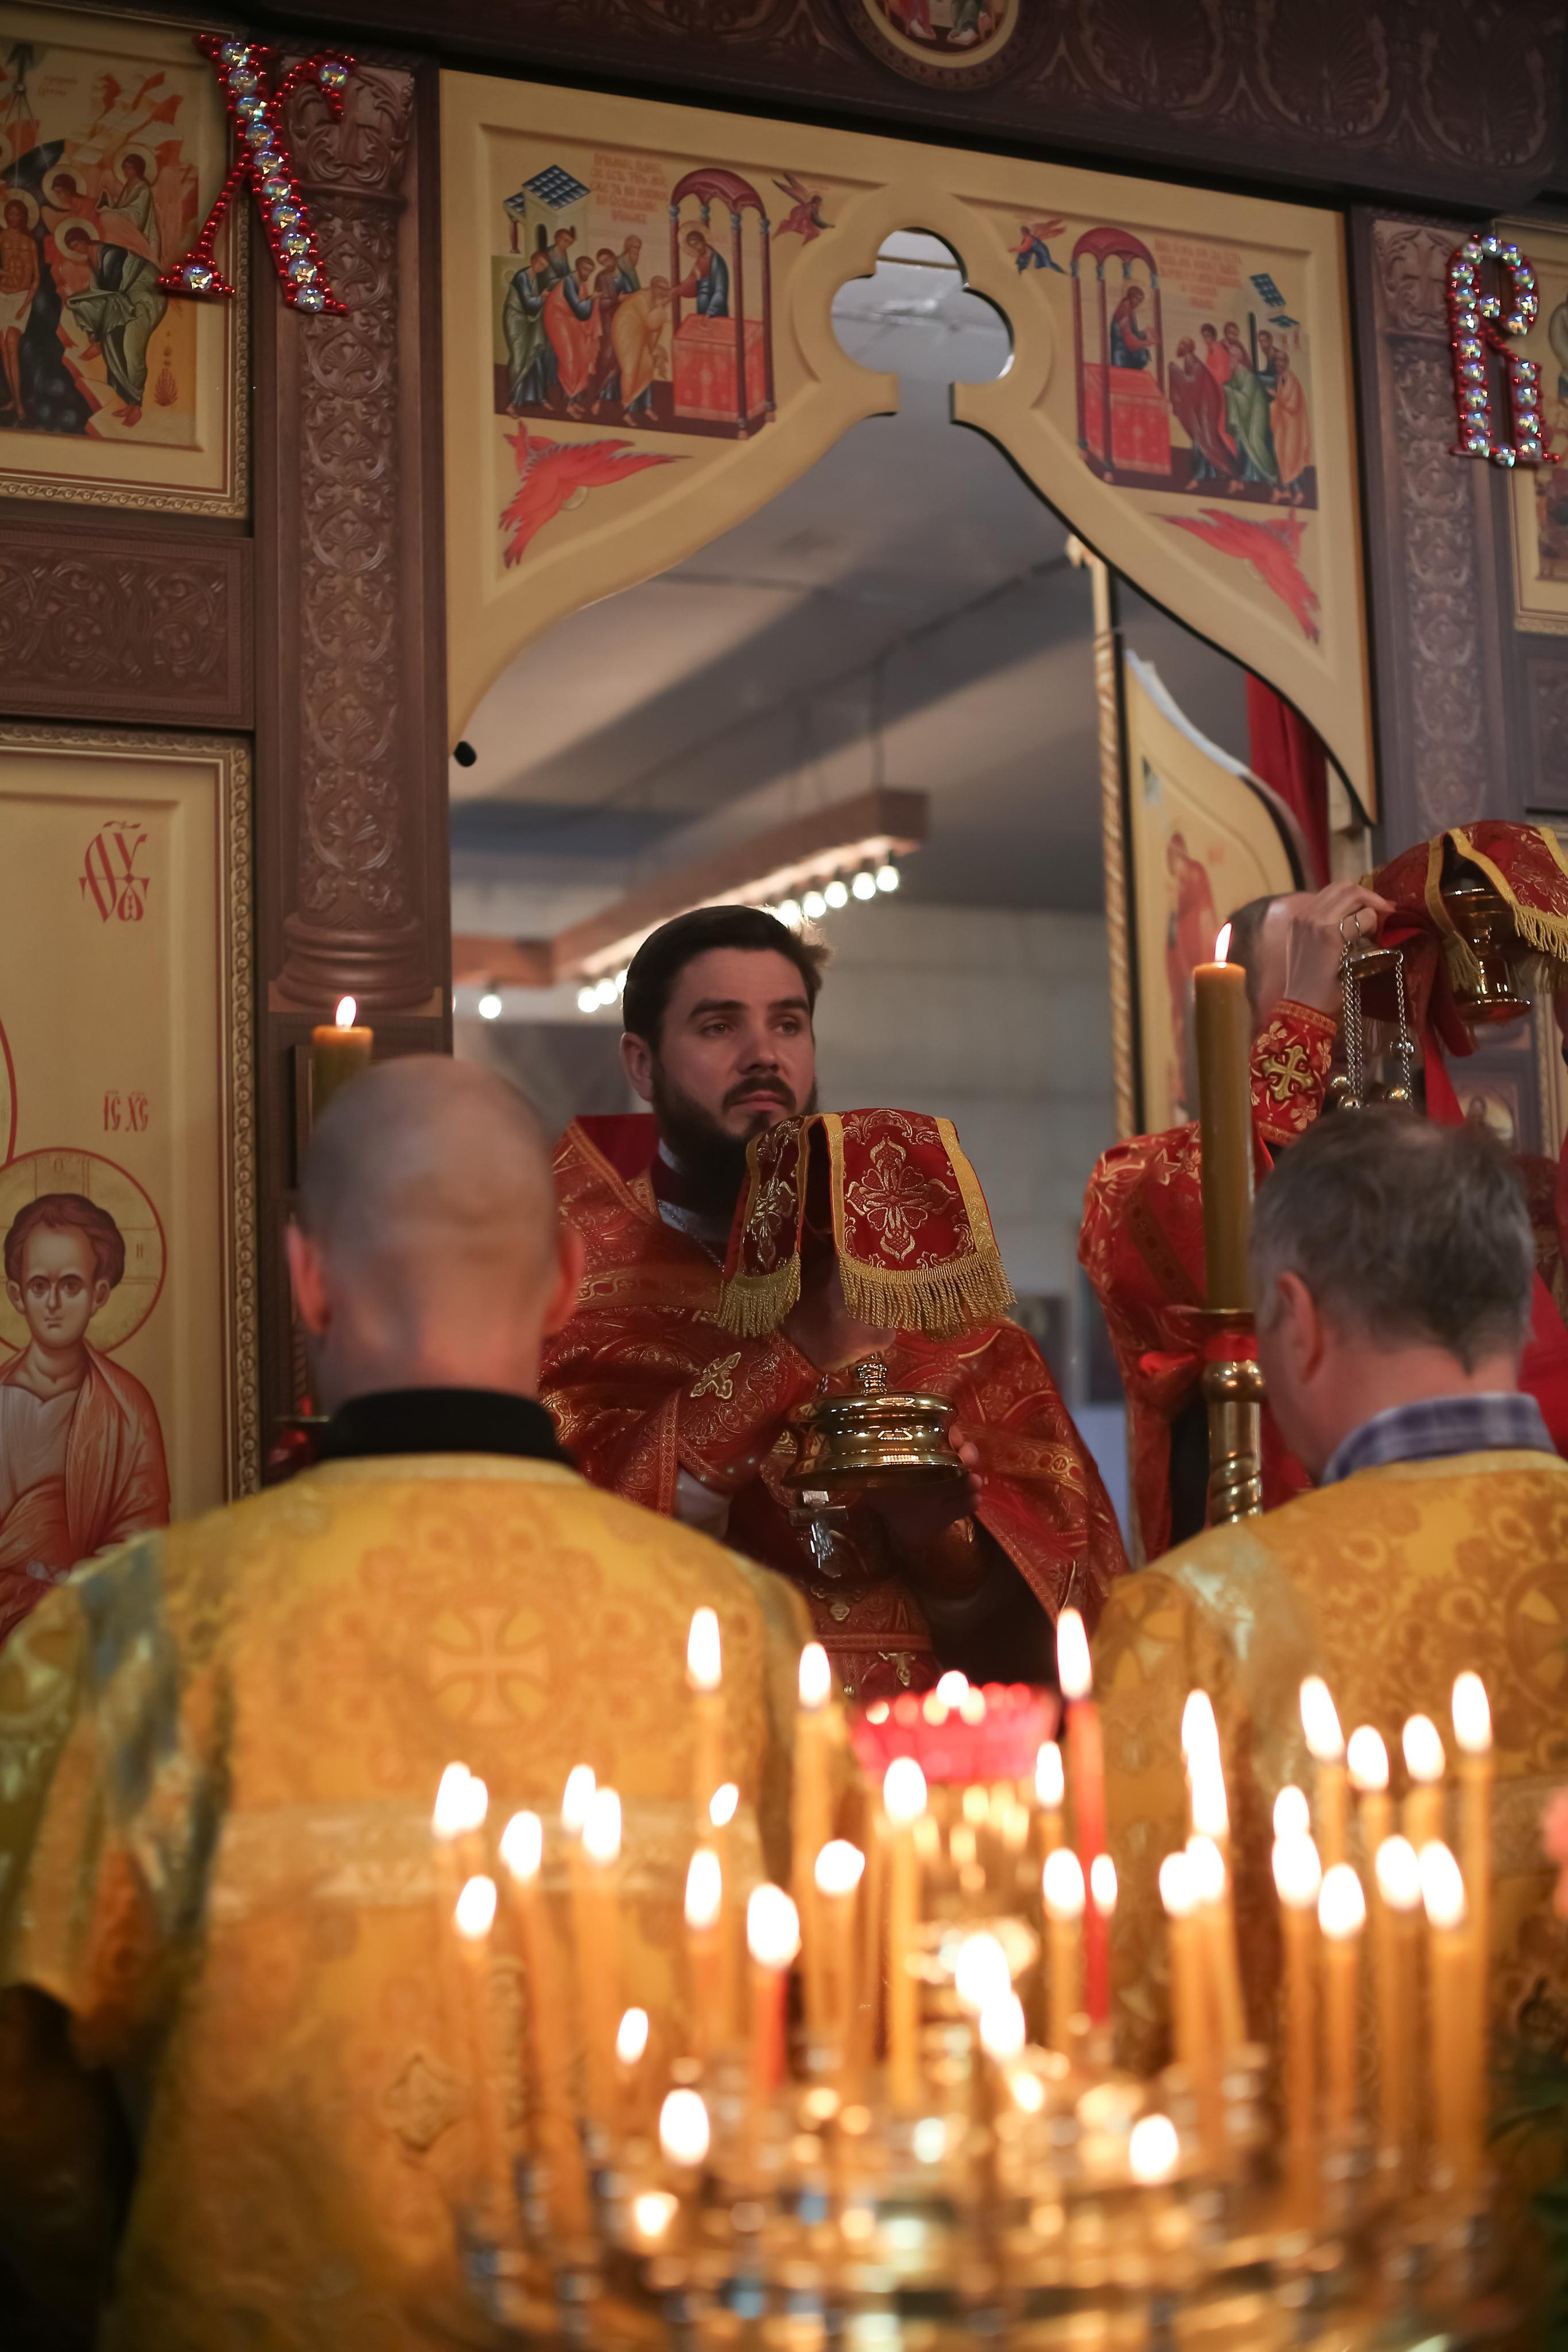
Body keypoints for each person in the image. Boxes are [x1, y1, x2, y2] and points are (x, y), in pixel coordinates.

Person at [0, 1058, 806, 2346]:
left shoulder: (132, 1631)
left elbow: (26, 2098)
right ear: (564, 1280)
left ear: (308, 1277)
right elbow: (834, 2039)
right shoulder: (742, 1629)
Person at [540, 907, 1127, 1699]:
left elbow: (1058, 1611)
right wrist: (793, 1353)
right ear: (641, 1065)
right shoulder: (572, 1287)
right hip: (708, 1725)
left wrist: (939, 1541)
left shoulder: (905, 1271)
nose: (763, 1055)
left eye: (788, 1024)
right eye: (718, 1027)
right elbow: (587, 1547)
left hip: (913, 1744)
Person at [1094, 1110, 1568, 2073]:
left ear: (1298, 1322)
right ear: (1515, 1311)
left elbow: (1122, 2024)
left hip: (1343, 2170)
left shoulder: (1200, 1618)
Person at [1079, 877, 1393, 1559]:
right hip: (1248, 1558)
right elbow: (1215, 1234)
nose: (1342, 994)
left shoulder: (1410, 1171)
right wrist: (1302, 1019)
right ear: (1239, 1012)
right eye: (1312, 963)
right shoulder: (1135, 1177)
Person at [0, 1192, 169, 1645]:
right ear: (17, 1295)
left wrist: (73, 1587)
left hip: (85, 1632)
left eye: (71, 1286)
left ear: (99, 1295)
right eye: (39, 1286)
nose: (53, 1303)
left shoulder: (127, 1407)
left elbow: (143, 1540)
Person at [1169, 334, 1237, 484]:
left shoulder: (1197, 365)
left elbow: (1191, 382)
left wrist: (1175, 371)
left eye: (1182, 345)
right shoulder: (1189, 362)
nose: (1179, 347)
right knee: (1201, 442)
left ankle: (1202, 476)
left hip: (1206, 412)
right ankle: (1209, 474)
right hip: (1200, 410)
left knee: (1203, 443)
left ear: (1188, 348)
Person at [0, 192, 39, 423]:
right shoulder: (2, 238)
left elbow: (36, 279)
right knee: (4, 347)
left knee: (12, 345)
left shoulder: (29, 242)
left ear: (24, 216)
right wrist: (4, 274)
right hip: (2, 295)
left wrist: (25, 305)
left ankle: (20, 402)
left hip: (21, 297)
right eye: (10, 214)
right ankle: (15, 400)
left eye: (18, 214)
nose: (14, 218)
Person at [502, 244, 555, 410]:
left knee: (536, 356)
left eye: (544, 267)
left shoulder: (536, 278)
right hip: (516, 319)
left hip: (531, 319)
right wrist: (542, 298)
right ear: (533, 261)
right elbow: (528, 302)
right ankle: (513, 401)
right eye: (540, 264)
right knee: (519, 358)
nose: (541, 268)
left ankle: (539, 397)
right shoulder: (522, 277)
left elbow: (534, 306)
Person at [1270, 349, 1312, 503]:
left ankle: (1299, 493)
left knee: (1291, 458)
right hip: (1283, 426)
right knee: (1281, 457)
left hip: (1293, 427)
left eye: (1281, 361)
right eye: (1276, 361)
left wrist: (1277, 397)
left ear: (1286, 363)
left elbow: (1293, 406)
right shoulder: (1282, 379)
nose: (1279, 364)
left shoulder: (1292, 381)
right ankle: (1287, 491)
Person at [676, 227, 729, 318]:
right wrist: (678, 289)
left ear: (703, 241)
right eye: (693, 246)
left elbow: (720, 290)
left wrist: (710, 312)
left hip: (714, 312)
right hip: (702, 309)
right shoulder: (700, 260)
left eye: (697, 244)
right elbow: (691, 281)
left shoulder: (717, 262)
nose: (696, 248)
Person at [1109, 283, 1152, 371]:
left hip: (1126, 354)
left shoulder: (1130, 311)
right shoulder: (1124, 310)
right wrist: (1147, 342)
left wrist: (1145, 334)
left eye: (1140, 301)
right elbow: (1129, 339)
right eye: (1136, 299)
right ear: (1130, 296)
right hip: (1121, 356)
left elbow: (1134, 334)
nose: (1138, 303)